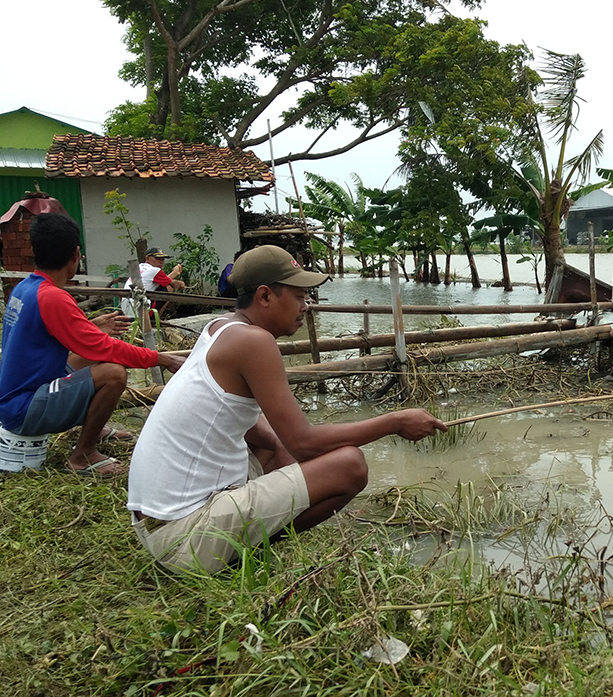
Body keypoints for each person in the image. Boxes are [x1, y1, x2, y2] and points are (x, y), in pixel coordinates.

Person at [126, 245, 446, 573]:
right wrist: (394, 422)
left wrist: (289, 451)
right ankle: (242, 555)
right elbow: (304, 442)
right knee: (349, 465)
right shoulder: (255, 342)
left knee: (276, 446)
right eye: (300, 296)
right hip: (183, 541)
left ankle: (239, 540)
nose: (306, 306)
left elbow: (257, 429)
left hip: (156, 526)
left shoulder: (219, 328)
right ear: (265, 296)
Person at [0, 214, 185, 476]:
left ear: (34, 251)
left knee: (95, 361)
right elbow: (105, 349)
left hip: (17, 397)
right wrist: (163, 358)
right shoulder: (53, 298)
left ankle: (95, 424)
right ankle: (83, 455)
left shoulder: (25, 288)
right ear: (76, 254)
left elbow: (44, 337)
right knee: (114, 373)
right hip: (25, 409)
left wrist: (92, 327)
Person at [121, 247, 187, 318]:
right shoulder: (155, 271)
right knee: (169, 288)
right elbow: (173, 284)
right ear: (147, 258)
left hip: (126, 307)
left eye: (162, 259)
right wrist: (175, 273)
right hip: (141, 309)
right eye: (157, 258)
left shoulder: (139, 266)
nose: (161, 262)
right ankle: (156, 319)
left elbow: (162, 281)